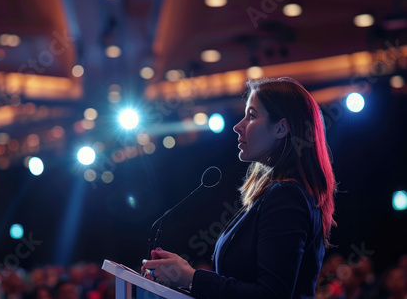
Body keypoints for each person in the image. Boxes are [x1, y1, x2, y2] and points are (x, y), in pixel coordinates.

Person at [142, 77, 337, 298]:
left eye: (252, 116)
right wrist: (182, 279)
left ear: (281, 128)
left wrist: (191, 277)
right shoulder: (277, 193)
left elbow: (270, 295)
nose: (238, 126)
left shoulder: (286, 196)